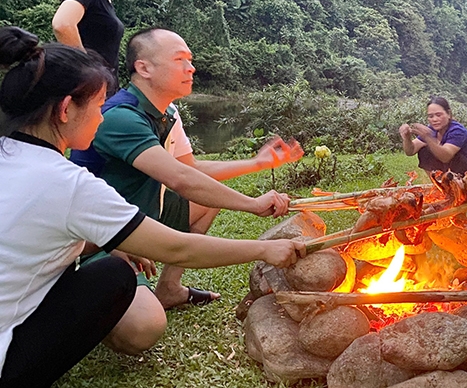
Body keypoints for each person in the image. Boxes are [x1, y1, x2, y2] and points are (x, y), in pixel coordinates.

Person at [0, 27, 305, 387]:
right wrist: (267, 249)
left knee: (115, 265)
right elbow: (178, 239)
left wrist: (111, 241)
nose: (102, 117)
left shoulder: (14, 154)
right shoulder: (73, 176)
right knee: (123, 291)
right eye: (98, 106)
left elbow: (187, 172)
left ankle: (164, 285)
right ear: (66, 109)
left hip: (104, 228)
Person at [69, 28, 303, 347]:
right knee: (143, 328)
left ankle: (169, 288)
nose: (191, 68)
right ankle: (92, 297)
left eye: (190, 61)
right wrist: (252, 204)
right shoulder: (121, 117)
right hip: (99, 238)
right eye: (180, 60)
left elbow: (189, 170)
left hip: (142, 220)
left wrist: (258, 163)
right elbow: (181, 180)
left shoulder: (166, 112)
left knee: (209, 199)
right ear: (144, 68)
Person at [399, 96, 467, 176]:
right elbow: (411, 151)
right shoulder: (432, 129)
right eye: (431, 116)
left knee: (436, 149)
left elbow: (446, 157)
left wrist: (428, 138)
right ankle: (439, 185)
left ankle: (453, 188)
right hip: (454, 172)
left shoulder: (457, 130)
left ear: (448, 114)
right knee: (424, 151)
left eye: (438, 115)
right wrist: (407, 138)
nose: (434, 119)